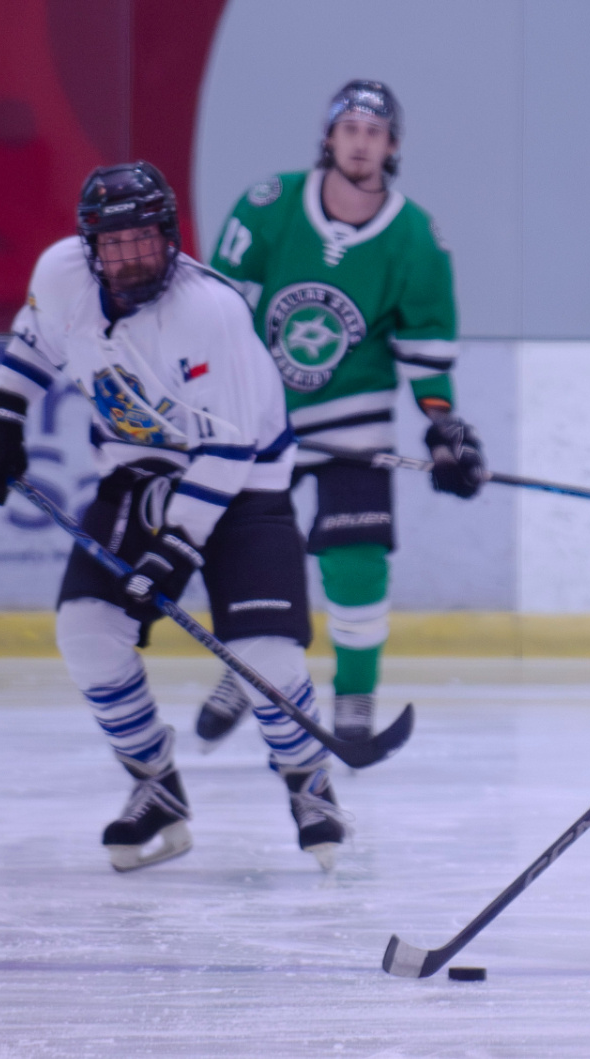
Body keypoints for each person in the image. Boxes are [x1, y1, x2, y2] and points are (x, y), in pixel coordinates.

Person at [0, 161, 345, 872]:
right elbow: (37, 340)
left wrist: (178, 545)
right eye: (115, 243)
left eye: (145, 239)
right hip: (135, 472)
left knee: (265, 655)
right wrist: (4, 406)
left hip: (245, 482)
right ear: (90, 247)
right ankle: (155, 787)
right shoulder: (61, 274)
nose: (132, 256)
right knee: (87, 631)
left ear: (169, 236)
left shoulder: (210, 311)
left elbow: (230, 448)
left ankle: (307, 780)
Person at [197, 80, 485, 749]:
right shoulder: (269, 204)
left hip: (354, 421)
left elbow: (425, 348)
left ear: (392, 147)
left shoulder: (415, 236)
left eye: (374, 133)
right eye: (350, 129)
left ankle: (355, 697)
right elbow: (215, 312)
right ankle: (246, 670)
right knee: (250, 557)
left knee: (357, 561)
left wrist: (444, 426)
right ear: (329, 137)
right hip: (260, 415)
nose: (360, 144)